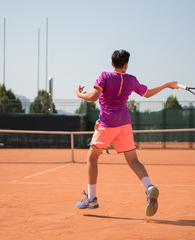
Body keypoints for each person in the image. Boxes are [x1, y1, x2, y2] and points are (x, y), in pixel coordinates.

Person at [75, 49, 178, 216]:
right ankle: (149, 187)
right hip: (124, 125)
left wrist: (79, 94)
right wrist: (166, 85)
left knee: (92, 158)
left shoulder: (105, 76)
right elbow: (148, 93)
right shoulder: (131, 79)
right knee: (133, 161)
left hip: (107, 124)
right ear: (126, 64)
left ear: (111, 63)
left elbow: (93, 97)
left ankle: (92, 199)